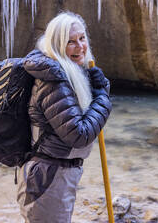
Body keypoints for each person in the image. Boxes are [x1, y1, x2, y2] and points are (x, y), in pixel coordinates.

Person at [17, 11, 112, 223]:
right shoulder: (53, 82)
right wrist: (103, 99)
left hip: (57, 174)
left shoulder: (67, 73)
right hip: (47, 179)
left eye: (82, 38)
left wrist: (100, 86)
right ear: (57, 44)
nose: (80, 47)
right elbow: (79, 135)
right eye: (70, 42)